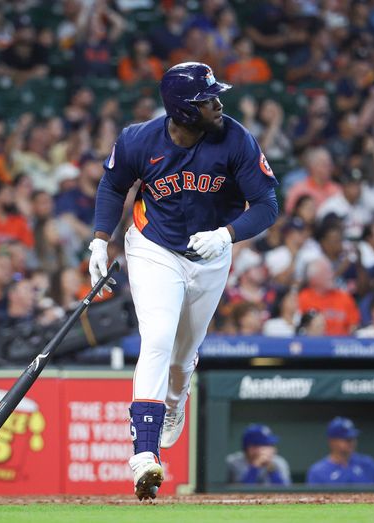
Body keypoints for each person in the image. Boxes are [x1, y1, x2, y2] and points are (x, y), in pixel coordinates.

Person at [88, 62, 279, 500]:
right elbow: (112, 186)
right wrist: (100, 241)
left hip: (210, 253)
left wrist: (227, 234)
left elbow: (267, 203)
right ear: (183, 109)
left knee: (183, 355)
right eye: (206, 100)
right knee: (156, 338)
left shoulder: (235, 138)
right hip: (154, 247)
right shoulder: (139, 139)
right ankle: (145, 455)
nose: (218, 104)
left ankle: (175, 402)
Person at [307, 417, 374, 485]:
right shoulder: (318, 471)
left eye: (353, 438)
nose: (351, 442)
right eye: (346, 439)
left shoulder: (368, 464)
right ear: (332, 441)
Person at [226, 424, 291, 486]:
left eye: (271, 445)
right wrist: (255, 466)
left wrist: (270, 466)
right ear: (251, 448)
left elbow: (286, 492)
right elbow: (240, 493)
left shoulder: (278, 462)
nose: (272, 449)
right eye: (267, 445)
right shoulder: (233, 463)